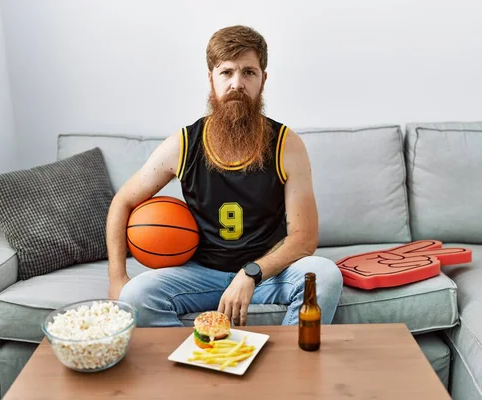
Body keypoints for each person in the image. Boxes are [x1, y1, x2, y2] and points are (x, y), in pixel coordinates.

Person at [106, 25, 343, 327]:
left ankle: (288, 366)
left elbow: (304, 238)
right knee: (135, 294)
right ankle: (198, 359)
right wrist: (117, 278)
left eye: (248, 72)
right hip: (202, 273)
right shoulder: (184, 144)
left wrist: (251, 273)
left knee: (324, 275)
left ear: (263, 80)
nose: (237, 83)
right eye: (226, 72)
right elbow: (122, 202)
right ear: (211, 79)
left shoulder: (286, 144)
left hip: (267, 274)